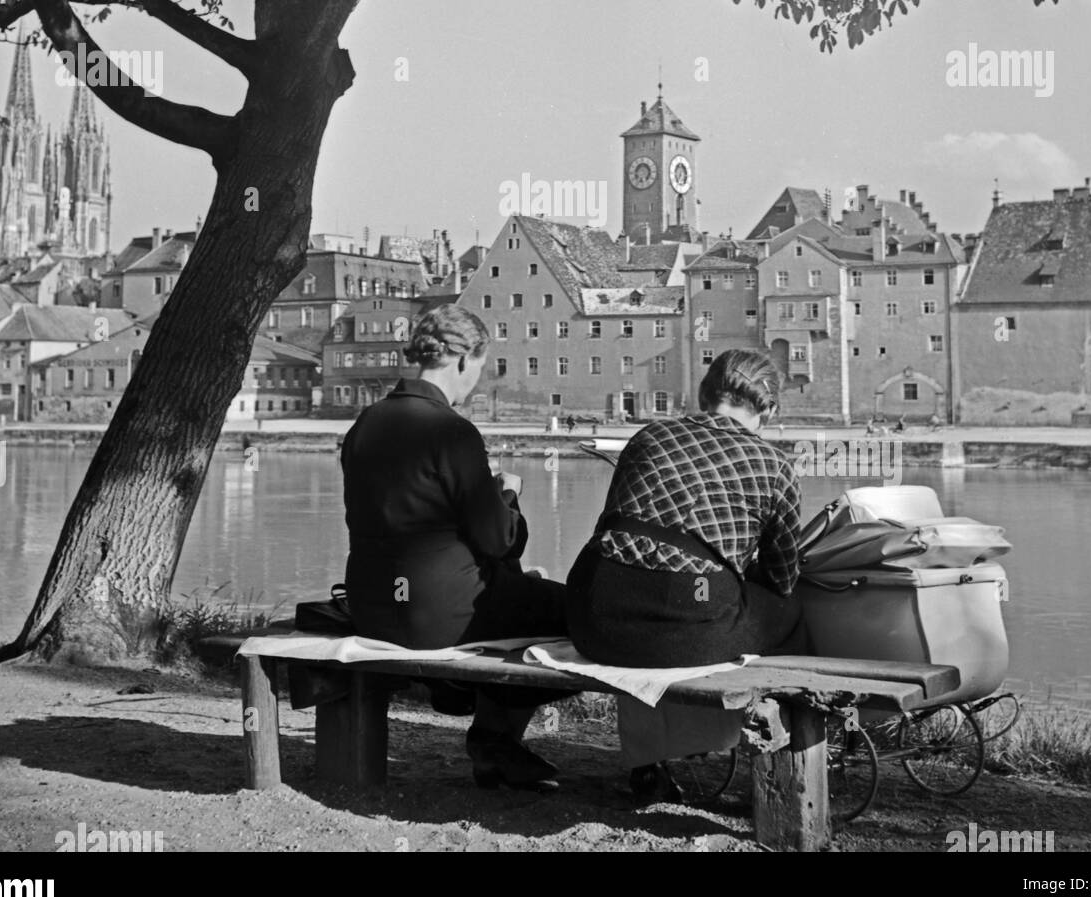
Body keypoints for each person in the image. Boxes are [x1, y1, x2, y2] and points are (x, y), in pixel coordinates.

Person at [341, 304, 569, 789]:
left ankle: (470, 705)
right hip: (441, 613)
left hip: (372, 606)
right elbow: (499, 539)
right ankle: (493, 737)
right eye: (480, 370)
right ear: (464, 360)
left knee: (516, 593)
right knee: (578, 612)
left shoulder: (366, 424)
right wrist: (508, 495)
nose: (477, 384)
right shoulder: (452, 431)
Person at [565, 349, 805, 796]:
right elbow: (783, 577)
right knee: (788, 612)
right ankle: (779, 757)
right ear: (768, 410)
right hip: (684, 624)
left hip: (594, 615)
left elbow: (627, 537)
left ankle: (650, 759)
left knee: (667, 600)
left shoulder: (649, 436)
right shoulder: (775, 465)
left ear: (702, 393)